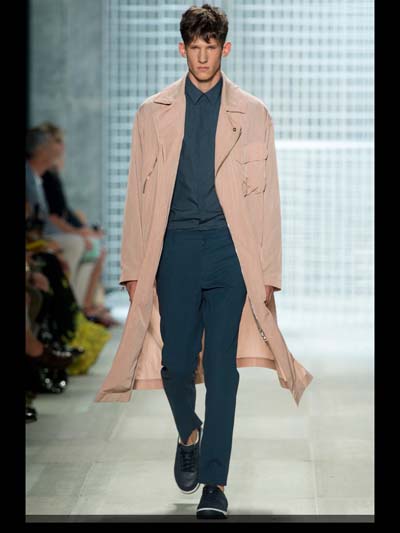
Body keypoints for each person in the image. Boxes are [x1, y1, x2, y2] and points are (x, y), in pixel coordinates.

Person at [95, 2, 314, 520]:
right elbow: (136, 194)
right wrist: (133, 268)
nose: (201, 57)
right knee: (175, 363)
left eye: (210, 47)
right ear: (181, 49)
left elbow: (269, 199)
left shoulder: (253, 113)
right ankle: (189, 431)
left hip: (230, 250)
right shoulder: (152, 114)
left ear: (225, 49)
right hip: (172, 248)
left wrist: (269, 273)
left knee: (221, 368)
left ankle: (214, 483)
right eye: (194, 47)